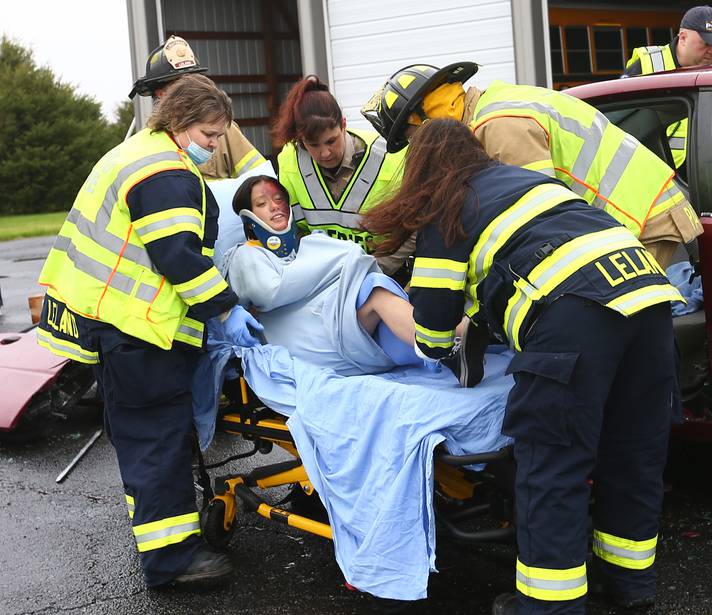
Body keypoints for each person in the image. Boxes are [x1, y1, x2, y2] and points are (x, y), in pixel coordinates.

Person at [362, 119, 683, 614]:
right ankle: (628, 583)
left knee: (553, 466)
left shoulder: (447, 206)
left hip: (578, 316)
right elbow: (534, 256)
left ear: (421, 168)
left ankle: (547, 607)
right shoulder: (533, 181)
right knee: (632, 453)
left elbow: (430, 332)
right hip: (650, 299)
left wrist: (452, 329)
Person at [35, 74, 264, 588]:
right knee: (157, 441)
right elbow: (177, 256)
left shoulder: (138, 152)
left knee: (148, 441)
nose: (213, 147)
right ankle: (171, 562)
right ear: (181, 124)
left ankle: (171, 545)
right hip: (140, 332)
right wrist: (225, 310)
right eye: (209, 136)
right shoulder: (165, 174)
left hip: (118, 325)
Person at [361, 62, 702, 269]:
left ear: (430, 115)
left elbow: (538, 222)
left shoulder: (498, 124)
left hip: (639, 218)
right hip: (633, 213)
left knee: (624, 329)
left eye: (411, 136)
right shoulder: (492, 107)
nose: (416, 147)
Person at [221, 175, 429, 376]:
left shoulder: (306, 247)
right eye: (261, 203)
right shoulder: (246, 254)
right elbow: (270, 293)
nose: (274, 206)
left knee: (377, 293)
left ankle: (450, 340)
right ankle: (439, 342)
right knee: (377, 293)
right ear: (248, 217)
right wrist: (329, 260)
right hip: (305, 337)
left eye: (279, 199)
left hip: (335, 323)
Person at [273, 76, 413, 277]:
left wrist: (373, 272)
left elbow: (413, 229)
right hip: (322, 278)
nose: (325, 153)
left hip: (381, 274)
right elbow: (291, 230)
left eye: (331, 141)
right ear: (300, 139)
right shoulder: (289, 162)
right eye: (313, 145)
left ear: (343, 124)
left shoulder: (389, 156)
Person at [622, 5, 712, 169]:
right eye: (706, 43)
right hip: (654, 174)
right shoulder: (647, 65)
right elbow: (619, 122)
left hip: (711, 179)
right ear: (683, 37)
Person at [129, 35, 267, 180]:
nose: (191, 91)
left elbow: (262, 181)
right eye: (180, 86)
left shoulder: (223, 129)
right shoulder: (149, 142)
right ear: (161, 95)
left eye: (193, 82)